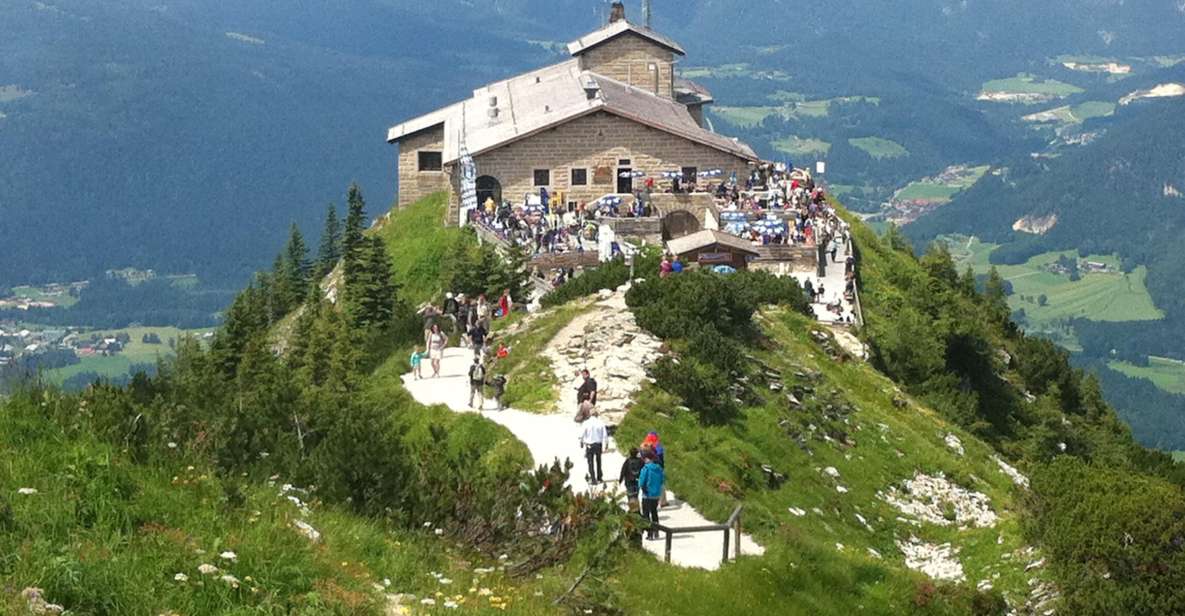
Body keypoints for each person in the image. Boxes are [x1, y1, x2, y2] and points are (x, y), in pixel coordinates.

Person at [638, 451, 665, 540]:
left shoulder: (645, 468)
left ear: (647, 459)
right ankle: (656, 531)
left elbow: (641, 482)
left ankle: (650, 533)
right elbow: (662, 480)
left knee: (646, 514)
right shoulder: (659, 468)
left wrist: (642, 487)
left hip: (647, 495)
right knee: (654, 512)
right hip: (656, 495)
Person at [580, 410, 607, 485]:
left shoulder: (586, 423)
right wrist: (606, 444)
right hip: (598, 445)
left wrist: (581, 442)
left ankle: (593, 479)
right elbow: (605, 435)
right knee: (599, 461)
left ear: (590, 415)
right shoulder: (601, 423)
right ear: (597, 415)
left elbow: (582, 434)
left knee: (590, 462)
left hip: (589, 445)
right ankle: (599, 477)